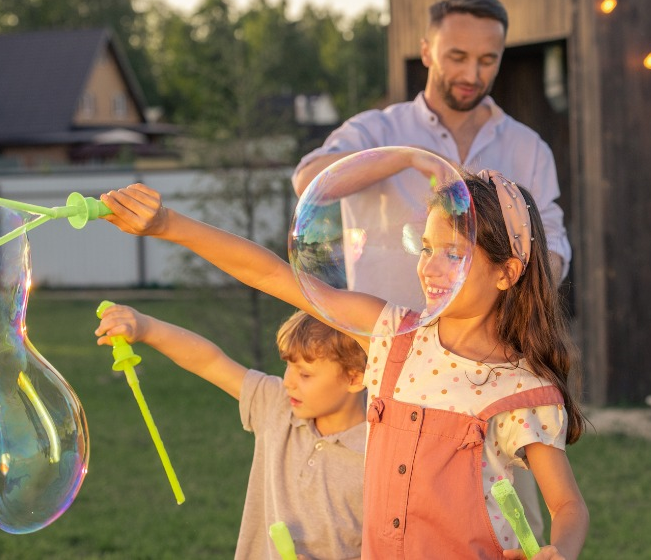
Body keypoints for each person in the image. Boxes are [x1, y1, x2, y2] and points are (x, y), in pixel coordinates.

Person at [99, 172, 588, 559]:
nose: (430, 268)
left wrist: (560, 551)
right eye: (426, 249)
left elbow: (567, 506)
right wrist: (168, 225)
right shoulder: (390, 336)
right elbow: (270, 273)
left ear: (507, 272)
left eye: (454, 254)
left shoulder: (519, 392)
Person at [292, 0, 567, 538]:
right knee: (374, 524)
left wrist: (522, 290)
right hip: (386, 370)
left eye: (488, 59)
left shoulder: (527, 147)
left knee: (514, 530)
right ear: (426, 52)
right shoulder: (377, 128)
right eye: (457, 56)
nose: (472, 74)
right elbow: (310, 180)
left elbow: (553, 245)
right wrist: (403, 157)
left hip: (485, 377)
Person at [95, 306, 366, 560]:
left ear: (354, 378)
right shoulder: (276, 405)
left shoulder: (379, 454)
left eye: (305, 375)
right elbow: (209, 362)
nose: (288, 382)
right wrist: (145, 328)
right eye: (288, 367)